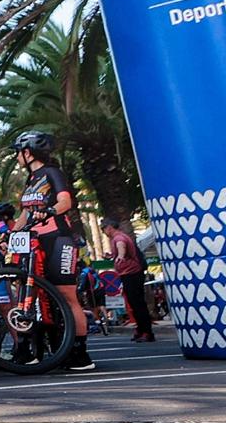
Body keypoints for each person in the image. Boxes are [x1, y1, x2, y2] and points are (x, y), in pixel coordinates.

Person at [12, 130, 96, 372]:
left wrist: (49, 211)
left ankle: (81, 355)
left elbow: (65, 202)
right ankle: (54, 346)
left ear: (28, 153)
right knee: (40, 295)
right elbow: (25, 214)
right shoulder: (30, 181)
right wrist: (9, 234)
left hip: (59, 239)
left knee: (67, 296)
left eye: (18, 152)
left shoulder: (52, 172)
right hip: (35, 241)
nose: (17, 157)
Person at [104, 216, 155, 342]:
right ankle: (141, 329)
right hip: (130, 273)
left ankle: (146, 331)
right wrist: (113, 256)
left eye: (103, 228)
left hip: (131, 273)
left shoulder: (119, 237)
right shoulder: (119, 237)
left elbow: (122, 247)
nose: (103, 232)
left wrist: (120, 256)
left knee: (137, 303)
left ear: (109, 228)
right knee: (135, 303)